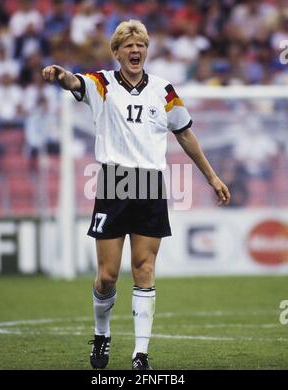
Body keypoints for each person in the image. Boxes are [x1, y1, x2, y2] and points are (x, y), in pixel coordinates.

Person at [42, 20, 230, 370]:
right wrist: (60, 74)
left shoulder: (164, 90)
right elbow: (74, 82)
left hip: (150, 184)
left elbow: (185, 134)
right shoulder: (102, 83)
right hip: (114, 182)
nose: (135, 50)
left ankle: (140, 355)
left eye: (140, 45)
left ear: (146, 50)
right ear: (116, 52)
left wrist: (212, 176)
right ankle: (102, 335)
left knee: (144, 268)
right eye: (128, 45)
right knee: (108, 275)